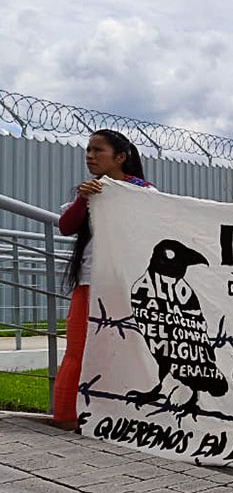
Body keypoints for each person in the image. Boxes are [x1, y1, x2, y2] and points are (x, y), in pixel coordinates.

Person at [52, 130, 155, 431]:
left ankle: (121, 417)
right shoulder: (89, 191)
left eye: (98, 150)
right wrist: (82, 199)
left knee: (125, 351)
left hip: (125, 285)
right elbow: (66, 227)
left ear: (120, 157)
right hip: (89, 282)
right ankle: (66, 417)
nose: (90, 156)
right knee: (78, 350)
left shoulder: (144, 192)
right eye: (88, 150)